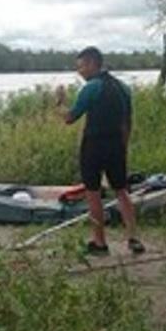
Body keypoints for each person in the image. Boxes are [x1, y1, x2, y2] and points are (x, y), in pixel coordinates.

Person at [61, 46, 144, 255]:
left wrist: (59, 103)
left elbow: (70, 118)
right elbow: (127, 122)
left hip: (94, 146)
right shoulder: (123, 88)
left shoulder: (91, 88)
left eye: (81, 67)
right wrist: (123, 147)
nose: (79, 72)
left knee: (93, 193)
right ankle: (133, 238)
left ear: (92, 64)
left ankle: (99, 242)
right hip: (117, 145)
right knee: (122, 191)